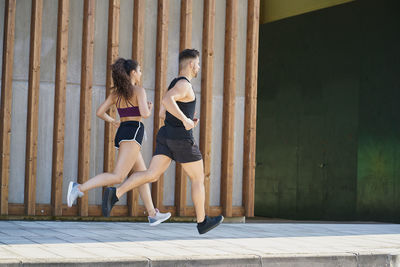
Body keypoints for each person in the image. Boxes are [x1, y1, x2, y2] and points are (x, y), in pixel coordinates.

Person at [102, 49, 224, 234]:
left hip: (166, 134)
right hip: (182, 138)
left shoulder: (174, 83)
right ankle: (202, 221)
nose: (199, 67)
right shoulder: (185, 85)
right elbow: (167, 100)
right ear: (191, 65)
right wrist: (185, 120)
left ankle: (116, 193)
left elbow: (161, 113)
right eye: (198, 64)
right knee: (198, 178)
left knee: (151, 174)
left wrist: (187, 117)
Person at [67, 58, 171, 226]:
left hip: (123, 132)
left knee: (142, 174)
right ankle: (78, 188)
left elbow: (100, 112)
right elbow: (145, 114)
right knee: (118, 176)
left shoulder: (116, 94)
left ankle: (152, 214)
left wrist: (113, 121)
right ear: (133, 73)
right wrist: (149, 108)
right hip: (133, 132)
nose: (141, 73)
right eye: (140, 70)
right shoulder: (139, 91)